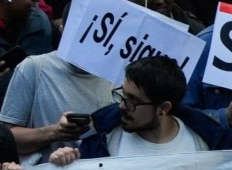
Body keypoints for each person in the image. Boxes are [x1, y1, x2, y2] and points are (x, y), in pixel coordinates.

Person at [51, 55, 232, 162]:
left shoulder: (208, 144)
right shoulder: (100, 140)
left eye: (133, 101)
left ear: (164, 107)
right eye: (123, 95)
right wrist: (64, 164)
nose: (122, 105)